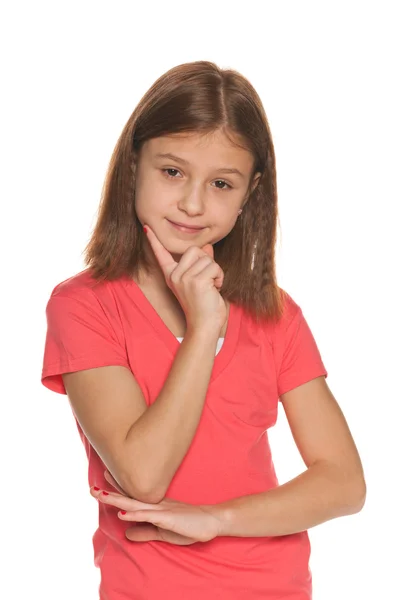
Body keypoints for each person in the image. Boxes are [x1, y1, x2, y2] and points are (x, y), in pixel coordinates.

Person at [41, 60, 366, 599]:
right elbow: (143, 476)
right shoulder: (83, 306)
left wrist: (216, 519)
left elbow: (344, 482)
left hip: (275, 587)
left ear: (249, 194)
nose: (193, 203)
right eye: (172, 172)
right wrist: (203, 328)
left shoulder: (275, 314)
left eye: (221, 183)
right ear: (133, 165)